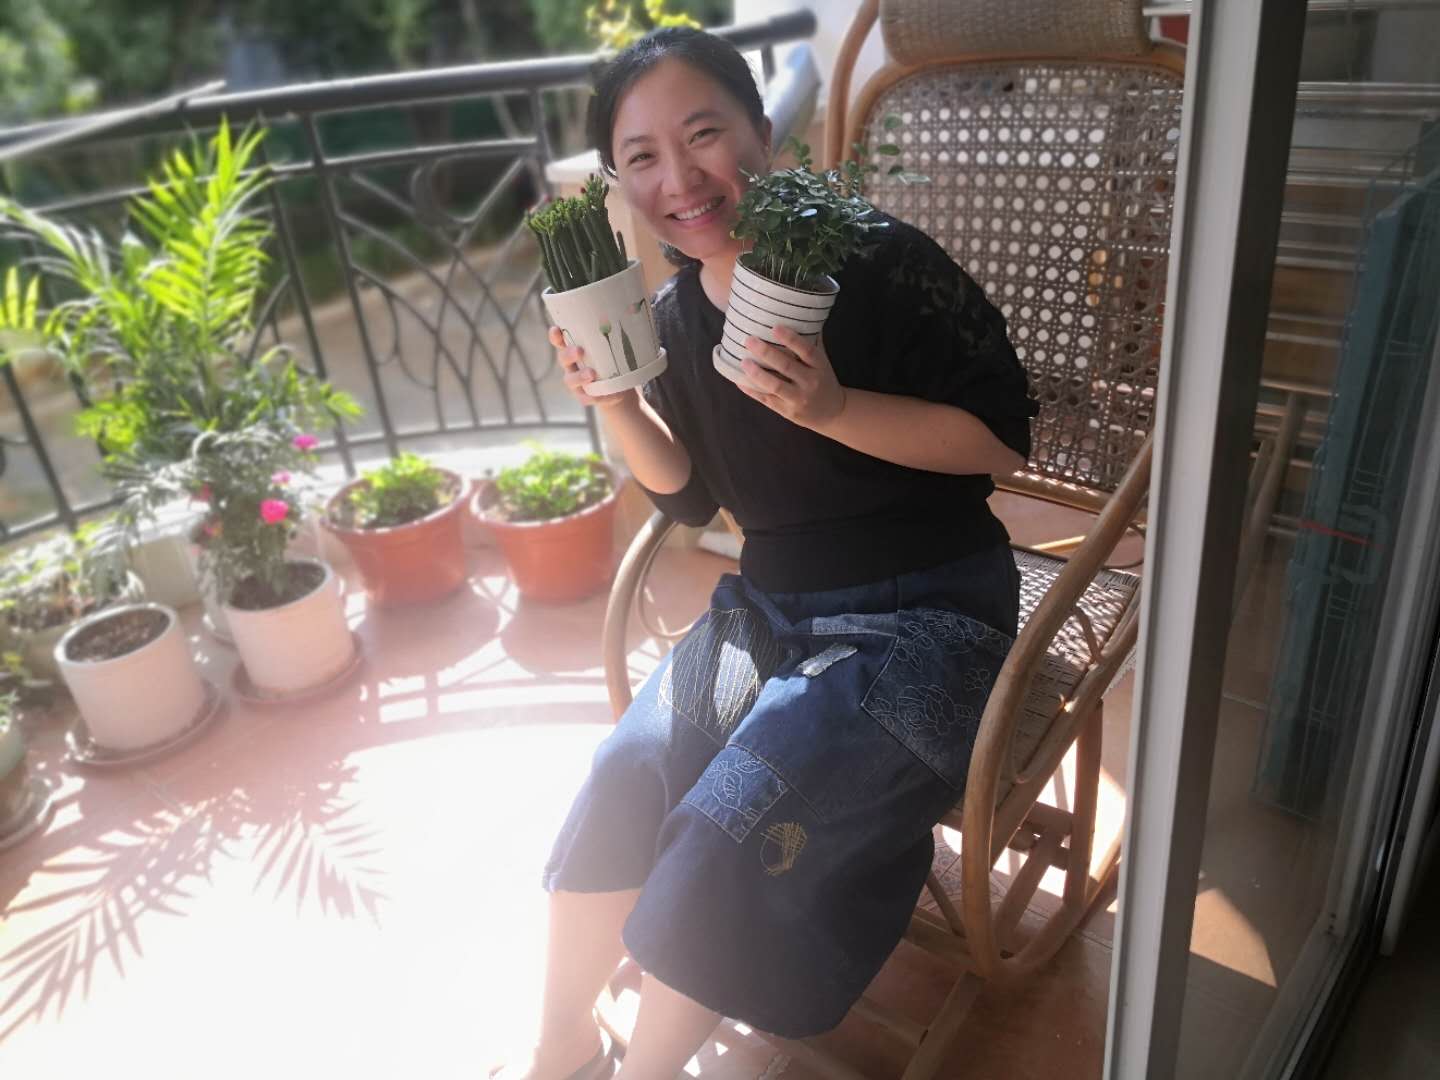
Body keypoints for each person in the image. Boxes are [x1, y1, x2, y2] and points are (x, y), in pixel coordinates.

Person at [506, 26, 1038, 1080]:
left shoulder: (878, 262)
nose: (679, 177)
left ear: (761, 129)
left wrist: (832, 407)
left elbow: (1000, 440)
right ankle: (562, 1045)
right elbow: (691, 493)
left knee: (731, 823)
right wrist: (615, 402)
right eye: (643, 156)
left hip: (929, 620)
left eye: (704, 133)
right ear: (619, 181)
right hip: (771, 615)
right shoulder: (672, 315)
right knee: (625, 772)